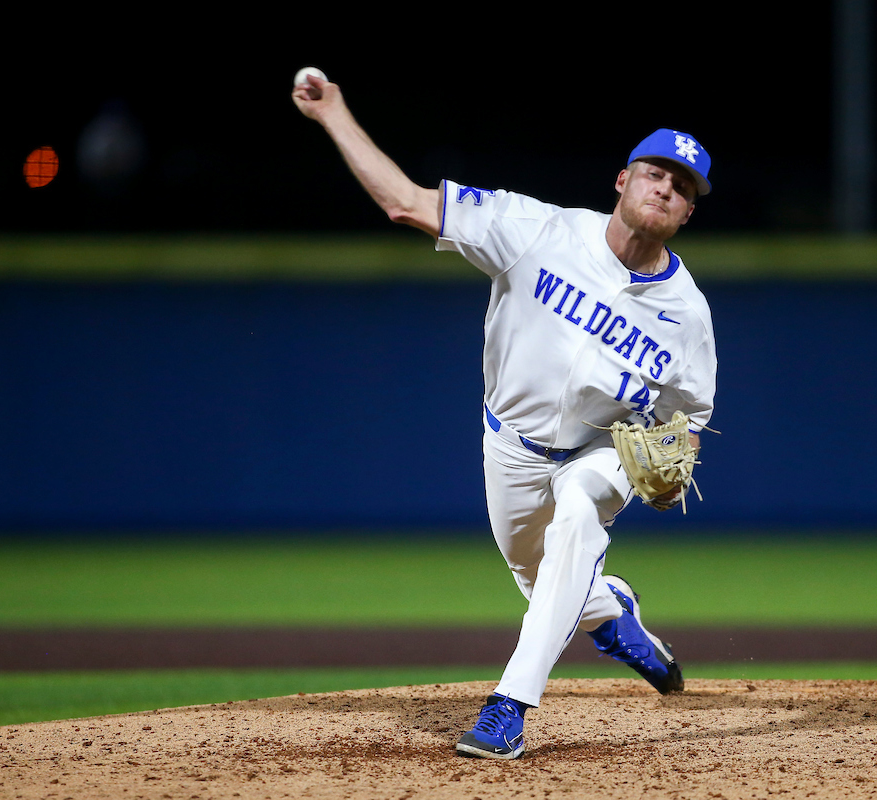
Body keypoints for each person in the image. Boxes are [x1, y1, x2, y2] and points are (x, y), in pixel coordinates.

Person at [292, 72, 717, 760]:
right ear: (622, 180)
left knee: (579, 507)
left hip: (598, 452)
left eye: (683, 186)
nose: (666, 187)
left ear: (688, 212)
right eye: (655, 173)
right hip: (511, 450)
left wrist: (674, 467)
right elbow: (404, 203)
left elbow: (688, 415)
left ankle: (509, 706)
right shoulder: (535, 230)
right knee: (546, 577)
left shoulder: (687, 314)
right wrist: (335, 114)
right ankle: (613, 616)